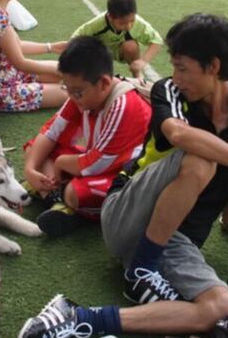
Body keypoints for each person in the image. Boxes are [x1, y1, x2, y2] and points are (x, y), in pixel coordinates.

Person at [14, 13, 228, 338]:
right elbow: (181, 136)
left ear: (214, 66)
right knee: (201, 156)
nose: (173, 76)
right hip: (126, 215)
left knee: (222, 309)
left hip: (177, 237)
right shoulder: (168, 92)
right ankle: (142, 269)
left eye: (182, 68)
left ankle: (78, 316)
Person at [24, 36, 152, 236]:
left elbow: (97, 163)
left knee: (77, 192)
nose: (72, 97)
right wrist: (30, 169)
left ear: (104, 83)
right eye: (67, 88)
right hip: (97, 160)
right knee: (35, 150)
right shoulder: (81, 95)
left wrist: (59, 163)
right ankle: (57, 199)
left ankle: (57, 197)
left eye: (77, 92)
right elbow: (51, 131)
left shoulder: (124, 105)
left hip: (124, 173)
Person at [72, 0, 163, 79]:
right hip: (100, 52)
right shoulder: (98, 23)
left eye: (132, 20)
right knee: (85, 49)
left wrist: (143, 61)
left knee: (131, 46)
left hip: (119, 51)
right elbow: (77, 36)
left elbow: (157, 40)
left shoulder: (138, 23)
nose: (128, 26)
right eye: (122, 23)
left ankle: (137, 75)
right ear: (110, 18)